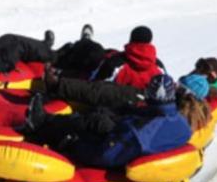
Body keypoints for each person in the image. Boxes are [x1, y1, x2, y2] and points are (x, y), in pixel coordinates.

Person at [20, 73, 192, 170]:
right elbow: (153, 116)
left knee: (91, 121)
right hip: (132, 135)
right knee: (104, 112)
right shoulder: (181, 122)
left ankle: (41, 124)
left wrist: (72, 145)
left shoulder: (139, 133)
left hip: (121, 145)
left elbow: (105, 156)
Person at [90, 25, 166, 89]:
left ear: (131, 40)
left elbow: (94, 88)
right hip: (151, 106)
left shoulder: (115, 64)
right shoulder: (159, 66)